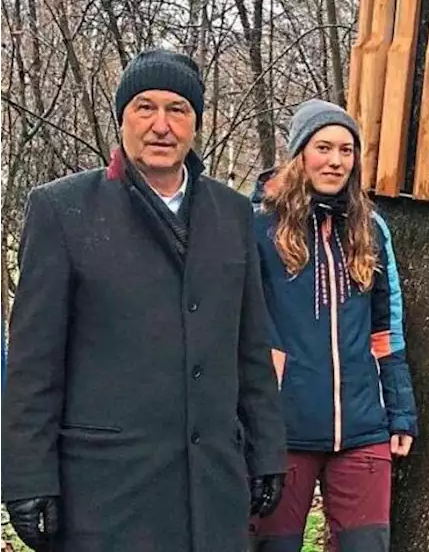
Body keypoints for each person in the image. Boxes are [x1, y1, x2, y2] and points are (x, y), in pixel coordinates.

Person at [0, 48, 287, 552]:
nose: (161, 125)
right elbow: (33, 363)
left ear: (195, 122)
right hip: (108, 492)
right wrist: (27, 477)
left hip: (212, 487)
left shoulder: (233, 213)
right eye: (144, 107)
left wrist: (266, 451)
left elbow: (251, 346)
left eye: (177, 109)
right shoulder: (63, 210)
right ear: (122, 118)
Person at [248, 99, 418, 552]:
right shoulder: (257, 228)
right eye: (324, 147)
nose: (336, 160)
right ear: (300, 152)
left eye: (347, 150)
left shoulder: (371, 228)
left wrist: (400, 411)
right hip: (282, 431)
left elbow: (388, 329)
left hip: (363, 428)